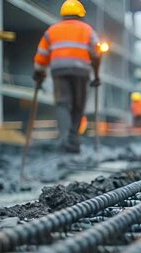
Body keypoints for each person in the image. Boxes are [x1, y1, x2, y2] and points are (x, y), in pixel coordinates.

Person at [33, 0, 101, 153]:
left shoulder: (52, 31)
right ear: (80, 15)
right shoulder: (87, 30)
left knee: (62, 104)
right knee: (78, 106)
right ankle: (73, 139)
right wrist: (96, 76)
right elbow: (96, 54)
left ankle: (66, 140)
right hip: (81, 72)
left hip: (59, 71)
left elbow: (41, 56)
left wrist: (39, 73)